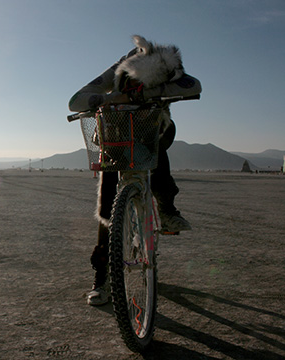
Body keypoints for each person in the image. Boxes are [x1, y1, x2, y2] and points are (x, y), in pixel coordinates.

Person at [68, 35, 202, 306]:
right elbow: (76, 100)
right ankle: (102, 278)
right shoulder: (118, 69)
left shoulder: (167, 63)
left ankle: (166, 208)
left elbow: (191, 85)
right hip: (116, 135)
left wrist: (144, 94)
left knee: (155, 152)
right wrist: (110, 97)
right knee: (107, 208)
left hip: (151, 133)